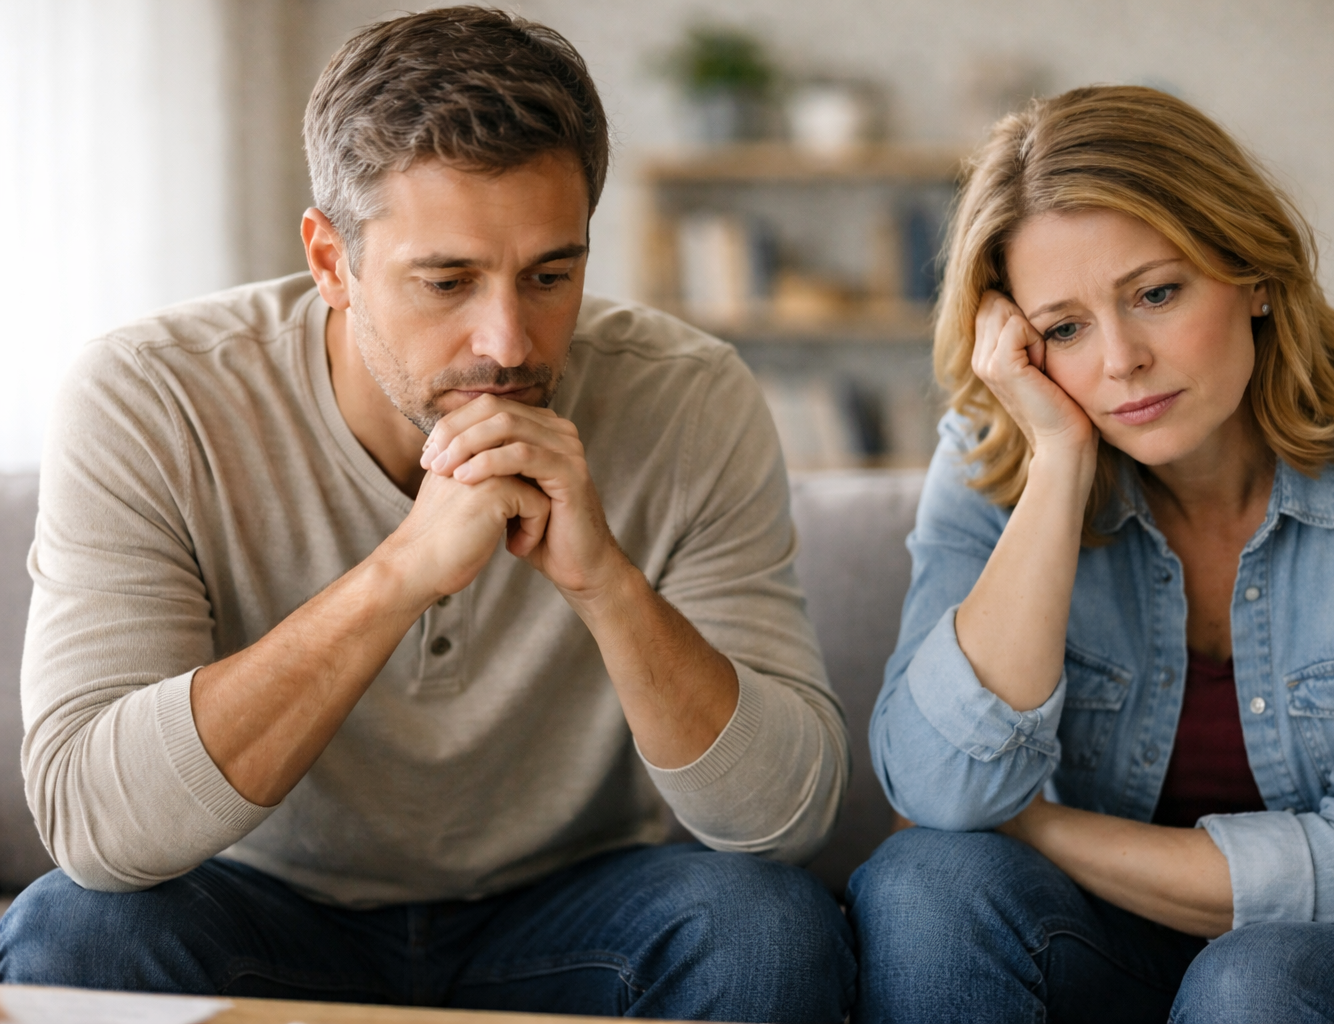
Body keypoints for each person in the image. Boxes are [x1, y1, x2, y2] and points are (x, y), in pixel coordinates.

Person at [0, 8, 854, 1020]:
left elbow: (781, 820)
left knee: (770, 930)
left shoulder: (690, 395)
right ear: (331, 262)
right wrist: (399, 573)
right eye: (447, 280)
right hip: (256, 903)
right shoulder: (151, 394)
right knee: (73, 933)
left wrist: (606, 582)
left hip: (572, 908)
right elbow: (95, 822)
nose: (509, 340)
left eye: (552, 275)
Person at [848, 85, 1334, 1023]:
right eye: (1064, 329)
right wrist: (1056, 466)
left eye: (1156, 293)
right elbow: (934, 788)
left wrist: (1035, 823)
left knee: (1255, 982)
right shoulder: (999, 452)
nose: (1121, 359)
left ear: (1253, 271)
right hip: (1118, 949)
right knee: (928, 882)